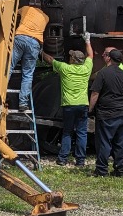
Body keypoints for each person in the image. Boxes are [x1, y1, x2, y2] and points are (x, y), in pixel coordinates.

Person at [40, 34, 93, 167]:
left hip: (69, 105)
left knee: (67, 132)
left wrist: (40, 51)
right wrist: (88, 41)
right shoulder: (86, 69)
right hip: (83, 105)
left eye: (71, 56)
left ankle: (63, 158)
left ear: (73, 59)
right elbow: (91, 56)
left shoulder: (65, 68)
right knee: (81, 133)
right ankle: (80, 161)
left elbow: (50, 60)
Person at [89, 47, 123, 177]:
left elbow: (95, 93)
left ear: (109, 58)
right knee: (120, 143)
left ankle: (102, 170)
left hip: (106, 113)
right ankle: (120, 169)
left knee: (104, 142)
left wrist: (90, 109)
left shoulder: (103, 73)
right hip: (121, 113)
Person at [11, 5, 49, 112]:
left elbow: (12, 13)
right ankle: (23, 103)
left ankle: (0, 95)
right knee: (27, 74)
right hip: (34, 43)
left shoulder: (26, 8)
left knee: (8, 67)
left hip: (21, 38)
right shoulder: (46, 17)